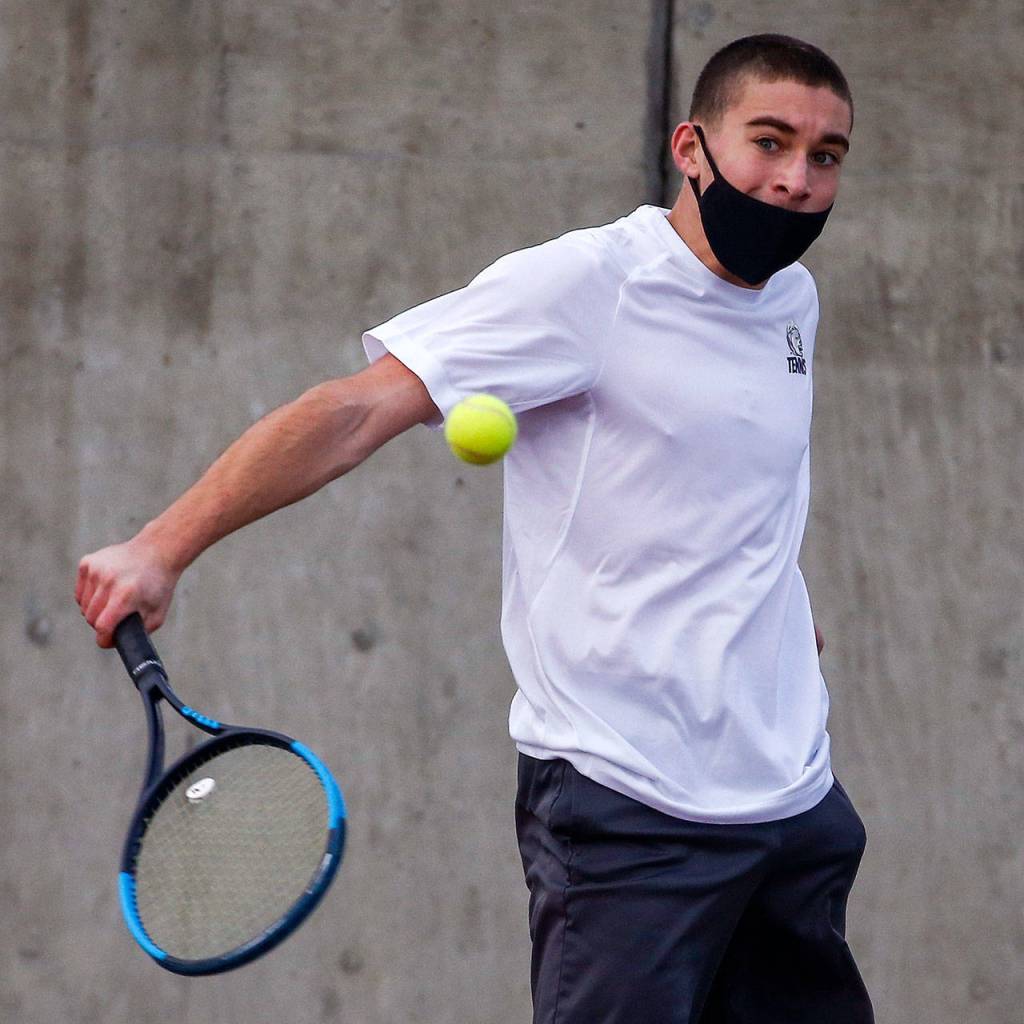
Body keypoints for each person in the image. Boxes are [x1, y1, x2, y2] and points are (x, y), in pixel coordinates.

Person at [77, 33, 873, 1024]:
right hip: (632, 804)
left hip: (792, 801)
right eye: (770, 142)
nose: (797, 179)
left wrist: (773, 606)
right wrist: (160, 546)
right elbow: (355, 410)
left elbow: (732, 476)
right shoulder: (588, 285)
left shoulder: (793, 299)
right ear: (691, 148)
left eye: (826, 155)